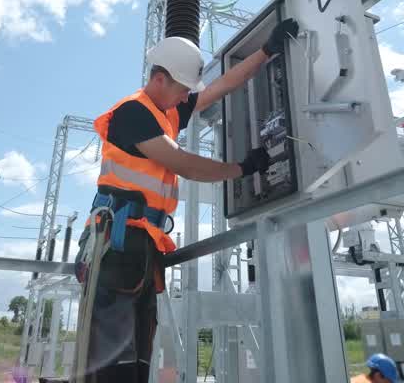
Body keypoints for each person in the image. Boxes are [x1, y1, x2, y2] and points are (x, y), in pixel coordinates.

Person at [77, 20, 298, 383]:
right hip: (116, 247)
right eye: (182, 90)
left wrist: (266, 51)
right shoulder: (133, 113)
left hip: (139, 248)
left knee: (136, 362)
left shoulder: (167, 111)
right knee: (111, 365)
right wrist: (241, 168)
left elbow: (221, 86)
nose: (186, 99)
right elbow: (184, 164)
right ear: (159, 79)